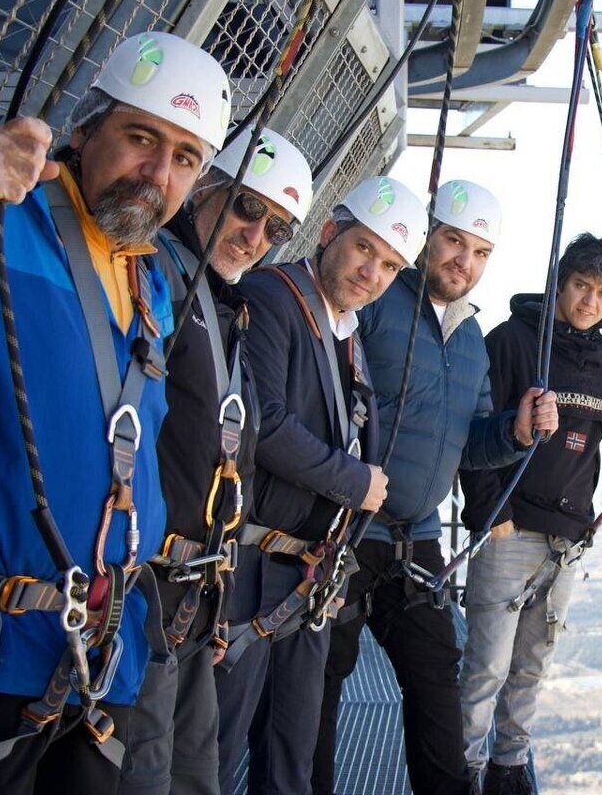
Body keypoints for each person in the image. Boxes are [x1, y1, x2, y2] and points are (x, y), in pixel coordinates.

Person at [0, 32, 230, 793]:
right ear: (85, 128)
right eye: (142, 138)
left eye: (186, 158)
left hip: (106, 654)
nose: (158, 174)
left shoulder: (152, 284)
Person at [312, 180, 559, 795]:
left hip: (415, 542)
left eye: (480, 253)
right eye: (453, 241)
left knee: (436, 684)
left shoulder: (471, 337)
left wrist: (517, 432)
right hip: (346, 527)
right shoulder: (375, 300)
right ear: (425, 236)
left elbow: (468, 442)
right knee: (319, 683)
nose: (464, 262)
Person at [214, 175, 428, 795]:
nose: (373, 272)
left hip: (305, 574)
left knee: (293, 755)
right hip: (250, 567)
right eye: (365, 249)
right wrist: (355, 480)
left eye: (389, 265)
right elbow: (262, 422)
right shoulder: (272, 297)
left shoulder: (346, 333)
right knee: (217, 745)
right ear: (331, 232)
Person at [117, 128, 314, 795]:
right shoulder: (157, 275)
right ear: (204, 190)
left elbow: (233, 463)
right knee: (145, 774)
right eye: (247, 208)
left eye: (276, 228)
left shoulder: (228, 310)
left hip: (196, 597)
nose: (255, 235)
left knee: (196, 775)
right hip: (143, 589)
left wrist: (221, 595)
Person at [458, 233, 602, 795]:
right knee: (486, 666)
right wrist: (486, 515)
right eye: (581, 286)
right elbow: (473, 430)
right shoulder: (511, 342)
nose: (590, 302)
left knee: (531, 665)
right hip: (510, 529)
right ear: (559, 282)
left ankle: (508, 767)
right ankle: (464, 773)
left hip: (567, 539)